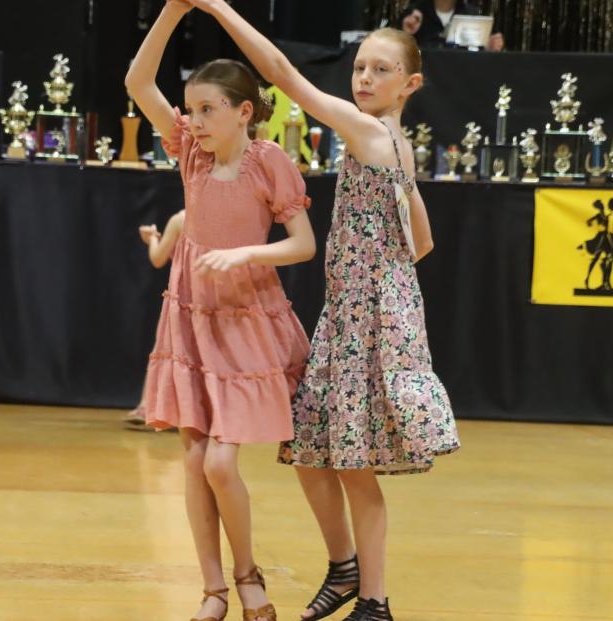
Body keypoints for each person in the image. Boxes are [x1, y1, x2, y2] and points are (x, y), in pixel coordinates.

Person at [187, 2, 461, 620]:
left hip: (368, 321)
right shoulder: (394, 143)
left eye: (380, 70)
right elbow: (422, 241)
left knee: (355, 464)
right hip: (349, 313)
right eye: (360, 67)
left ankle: (375, 600)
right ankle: (343, 568)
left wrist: (219, 8)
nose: (363, 79)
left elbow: (283, 72)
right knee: (311, 446)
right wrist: (375, 277)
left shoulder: (369, 132)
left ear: (409, 85)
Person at [124, 1, 317, 619]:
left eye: (209, 109)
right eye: (192, 108)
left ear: (244, 111)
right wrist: (173, 10)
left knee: (220, 460)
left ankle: (247, 573)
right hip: (192, 317)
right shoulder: (190, 153)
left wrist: (244, 257)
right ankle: (213, 591)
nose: (196, 120)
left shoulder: (270, 162)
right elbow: (136, 82)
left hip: (247, 319)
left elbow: (304, 243)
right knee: (193, 457)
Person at [124, 210, 186, 429]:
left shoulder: (181, 219)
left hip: (186, 299)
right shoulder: (226, 217)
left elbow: (158, 258)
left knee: (170, 351)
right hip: (219, 298)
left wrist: (151, 240)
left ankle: (150, 407)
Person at [400, 0, 504, 51]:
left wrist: (489, 47)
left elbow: (478, 55)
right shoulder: (413, 13)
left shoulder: (472, 14)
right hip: (424, 80)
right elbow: (400, 52)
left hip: (461, 80)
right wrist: (406, 34)